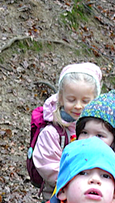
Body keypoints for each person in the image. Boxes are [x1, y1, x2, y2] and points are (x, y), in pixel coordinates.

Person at [32, 62, 102, 196]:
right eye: (72, 100)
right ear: (61, 98)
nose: (78, 106)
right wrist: (76, 182)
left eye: (85, 101)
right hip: (58, 194)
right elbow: (48, 165)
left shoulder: (100, 130)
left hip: (93, 194)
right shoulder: (53, 132)